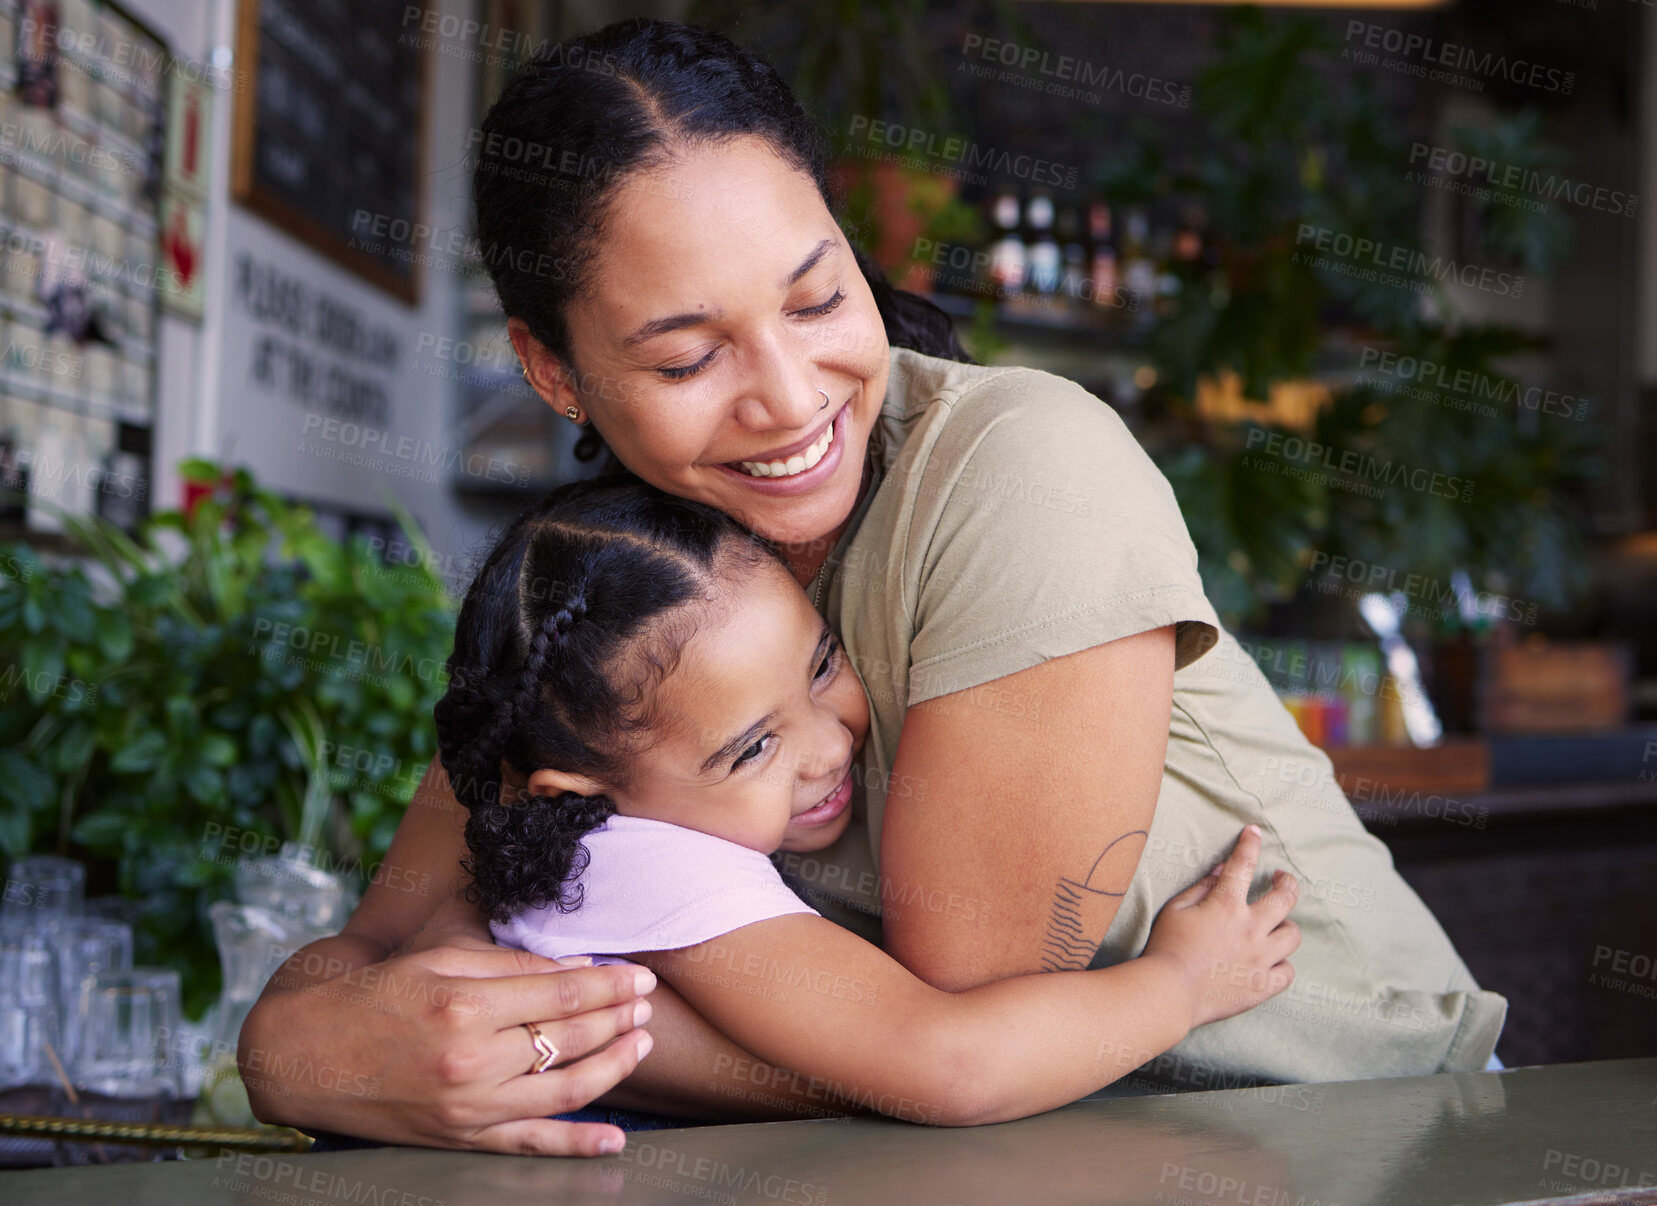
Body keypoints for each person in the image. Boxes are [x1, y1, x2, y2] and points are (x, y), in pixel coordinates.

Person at [240, 18, 1506, 1156]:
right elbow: (395, 937)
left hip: (1362, 1126)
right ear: (554, 371)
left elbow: (950, 1037)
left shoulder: (1021, 470)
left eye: (817, 297)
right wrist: (298, 1053)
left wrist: (545, 1037)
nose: (792, 400)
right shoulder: (627, 578)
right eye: (686, 356)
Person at [437, 476, 1300, 1128]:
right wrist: (1179, 986)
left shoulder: (590, 842)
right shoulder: (649, 870)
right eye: (753, 748)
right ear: (576, 793)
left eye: (820, 667)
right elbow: (949, 1064)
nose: (827, 745)